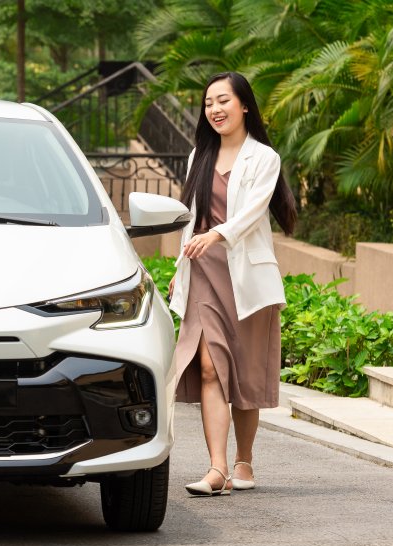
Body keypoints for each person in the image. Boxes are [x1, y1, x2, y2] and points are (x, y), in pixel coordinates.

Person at [166, 71, 297, 496]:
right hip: (203, 271)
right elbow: (190, 219)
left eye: (223, 100)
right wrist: (179, 269)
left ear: (244, 106)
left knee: (243, 375)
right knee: (209, 367)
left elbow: (254, 211)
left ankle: (244, 460)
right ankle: (217, 469)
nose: (215, 109)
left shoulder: (265, 158)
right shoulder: (198, 157)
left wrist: (217, 235)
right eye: (208, 103)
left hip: (246, 278)